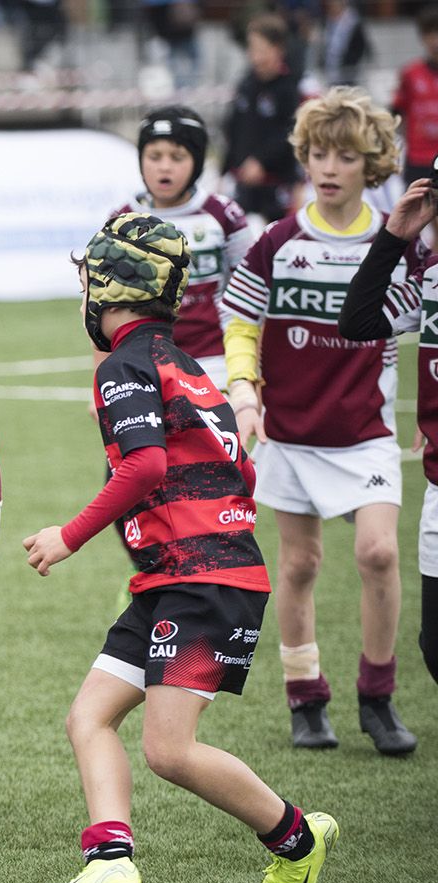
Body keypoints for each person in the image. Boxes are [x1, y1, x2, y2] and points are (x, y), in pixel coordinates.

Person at [20, 212, 338, 883]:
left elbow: (147, 464)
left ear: (106, 291)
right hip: (181, 578)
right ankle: (109, 861)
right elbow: (241, 468)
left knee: (168, 748)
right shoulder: (187, 366)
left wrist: (68, 537)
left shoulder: (123, 366)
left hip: (202, 583)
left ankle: (298, 839)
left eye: (85, 289)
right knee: (90, 716)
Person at [220, 86, 418, 755]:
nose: (329, 167)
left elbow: (430, 329)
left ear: (373, 166)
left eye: (345, 156)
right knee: (300, 564)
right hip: (290, 433)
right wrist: (244, 390)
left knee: (379, 552)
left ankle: (378, 695)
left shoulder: (399, 245)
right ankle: (306, 699)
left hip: (364, 432)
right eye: (317, 154)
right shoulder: (279, 240)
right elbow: (241, 322)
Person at [338, 175, 438, 704]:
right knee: (434, 648)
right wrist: (394, 237)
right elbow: (357, 322)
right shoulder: (429, 281)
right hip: (437, 487)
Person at [112, 106, 251, 390]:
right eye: (154, 156)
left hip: (215, 360)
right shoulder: (121, 220)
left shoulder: (225, 215)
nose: (165, 166)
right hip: (145, 361)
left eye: (177, 157)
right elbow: (107, 307)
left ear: (197, 162)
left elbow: (250, 292)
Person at [223, 14, 302, 224]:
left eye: (262, 50)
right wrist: (225, 171)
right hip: (244, 184)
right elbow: (233, 128)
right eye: (252, 49)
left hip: (275, 185)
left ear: (278, 49)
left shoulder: (290, 88)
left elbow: (290, 133)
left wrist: (260, 161)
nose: (255, 57)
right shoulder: (246, 84)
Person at [391, 7, 438, 193]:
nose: (435, 40)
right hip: (418, 158)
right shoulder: (410, 74)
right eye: (429, 33)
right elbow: (396, 112)